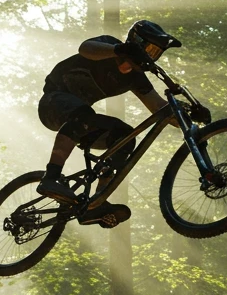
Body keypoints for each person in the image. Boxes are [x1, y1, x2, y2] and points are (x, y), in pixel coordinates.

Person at [36, 19, 183, 228]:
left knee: (125, 137)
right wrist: (120, 50)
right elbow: (85, 48)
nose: (150, 56)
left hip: (80, 118)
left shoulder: (136, 78)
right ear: (137, 42)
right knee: (84, 114)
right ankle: (50, 177)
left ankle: (95, 203)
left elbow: (158, 107)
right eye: (149, 48)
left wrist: (188, 115)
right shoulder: (107, 46)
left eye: (156, 53)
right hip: (52, 104)